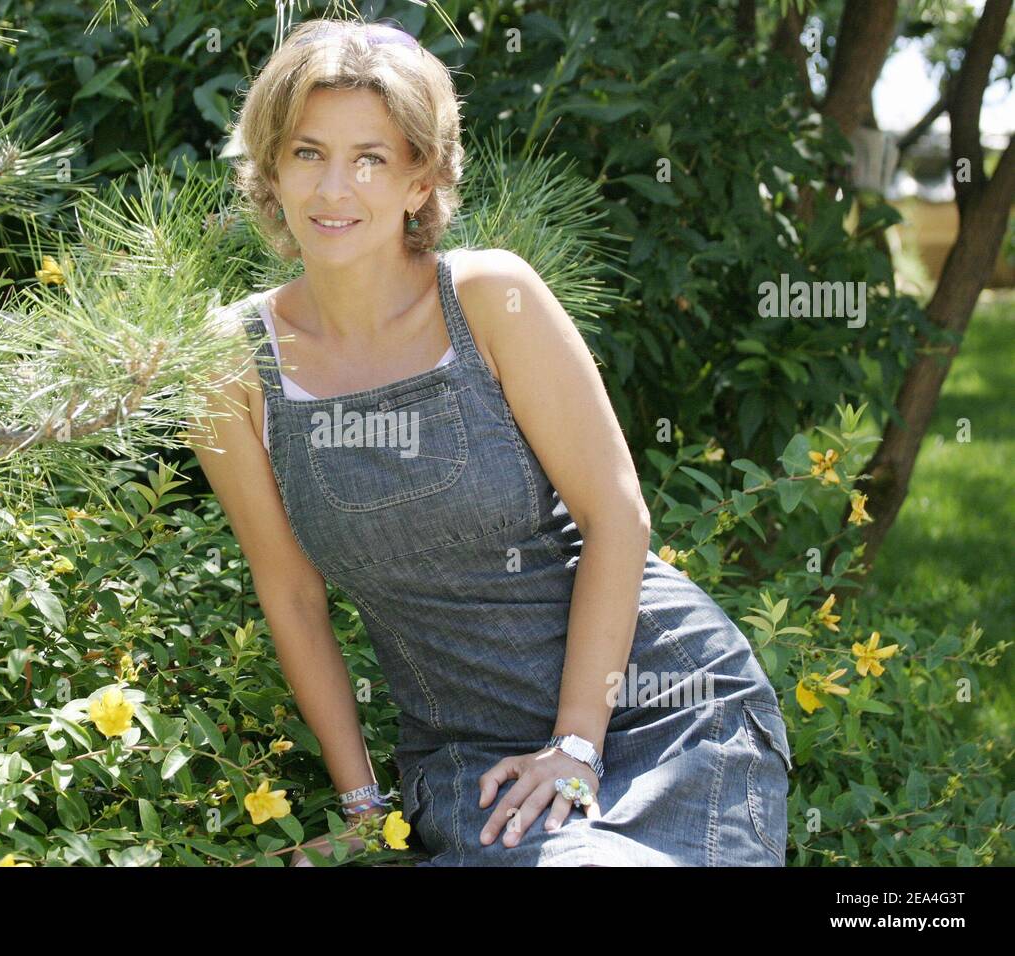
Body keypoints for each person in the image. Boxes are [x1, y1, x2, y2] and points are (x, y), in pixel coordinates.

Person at [186, 17, 792, 866]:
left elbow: (618, 517)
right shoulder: (231, 360)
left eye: (371, 159)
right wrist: (366, 811)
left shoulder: (490, 297)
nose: (333, 189)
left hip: (663, 711)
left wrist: (577, 745)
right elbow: (291, 595)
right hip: (475, 757)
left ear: (420, 178)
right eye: (306, 153)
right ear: (270, 171)